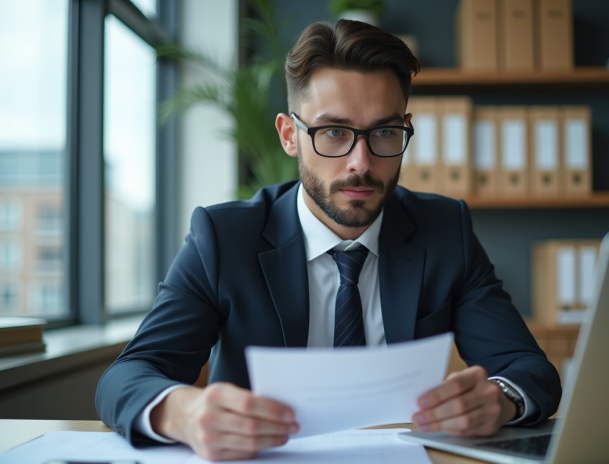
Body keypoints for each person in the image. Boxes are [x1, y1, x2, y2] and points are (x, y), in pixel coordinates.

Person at [96, 19, 561, 462]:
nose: (360, 162)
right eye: (334, 132)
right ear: (289, 136)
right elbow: (127, 376)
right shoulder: (223, 238)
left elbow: (528, 369)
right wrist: (186, 413)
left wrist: (499, 399)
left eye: (384, 131)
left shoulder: (444, 229)